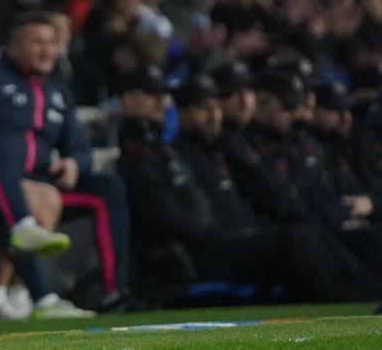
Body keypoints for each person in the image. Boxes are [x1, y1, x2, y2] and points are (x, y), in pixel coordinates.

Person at [131, 74, 382, 302]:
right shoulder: (175, 155)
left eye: (215, 107)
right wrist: (217, 232)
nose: (213, 115)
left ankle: (370, 288)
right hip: (213, 247)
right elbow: (173, 215)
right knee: (296, 239)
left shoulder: (219, 150)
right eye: (202, 109)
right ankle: (354, 295)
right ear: (182, 114)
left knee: (313, 232)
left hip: (241, 234)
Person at [0, 12, 130, 314]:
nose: (48, 50)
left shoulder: (58, 92)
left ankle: (111, 293)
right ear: (13, 46)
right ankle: (38, 296)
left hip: (37, 181)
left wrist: (76, 163)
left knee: (105, 188)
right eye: (37, 42)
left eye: (52, 43)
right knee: (12, 159)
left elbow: (79, 148)